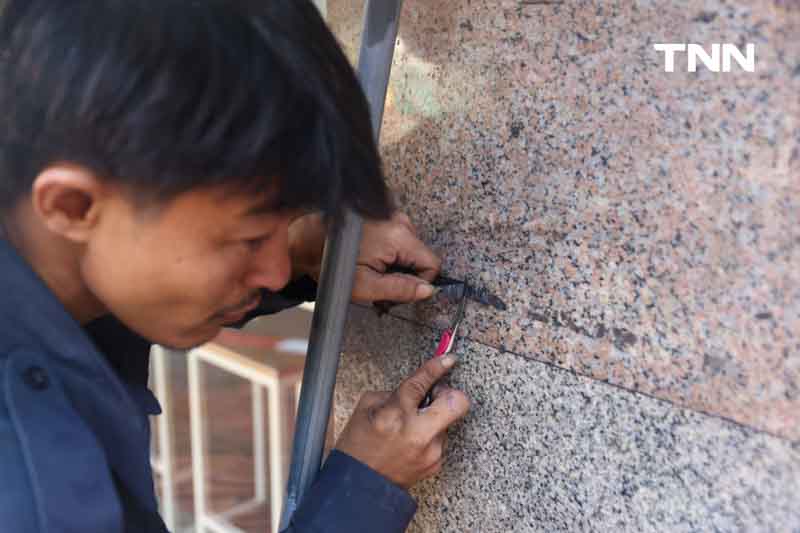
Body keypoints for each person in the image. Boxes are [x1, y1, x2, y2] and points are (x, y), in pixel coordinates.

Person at [0, 1, 471, 531]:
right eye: (248, 237)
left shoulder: (44, 245)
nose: (274, 271)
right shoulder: (28, 488)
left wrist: (308, 253)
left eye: (288, 223)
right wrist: (359, 495)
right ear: (72, 206)